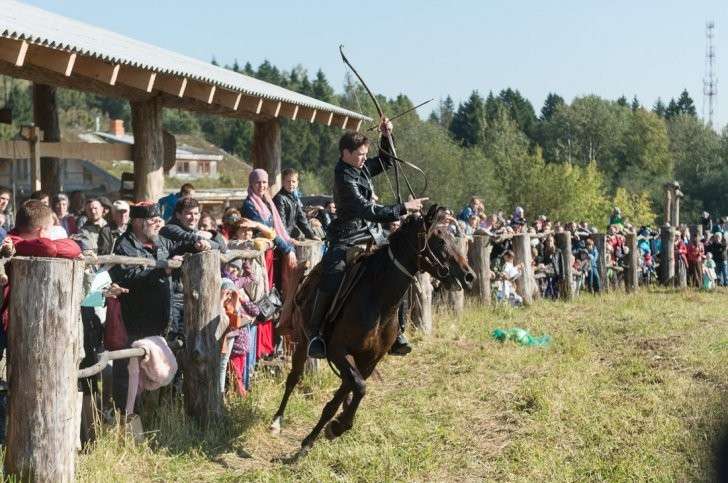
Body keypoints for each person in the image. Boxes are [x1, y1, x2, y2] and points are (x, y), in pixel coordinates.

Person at [306, 119, 427, 359]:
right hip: (348, 236)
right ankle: (316, 335)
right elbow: (367, 210)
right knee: (332, 273)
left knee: (397, 271)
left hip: (373, 234)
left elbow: (384, 161)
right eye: (360, 154)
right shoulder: (343, 177)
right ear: (346, 153)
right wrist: (403, 207)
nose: (364, 158)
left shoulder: (360, 168)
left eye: (365, 154)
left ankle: (396, 332)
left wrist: (386, 136)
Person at [108, 201, 205, 409]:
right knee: (129, 377)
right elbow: (126, 276)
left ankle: (152, 417)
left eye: (159, 220)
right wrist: (162, 270)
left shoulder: (160, 241)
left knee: (154, 374)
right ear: (137, 222)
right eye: (152, 221)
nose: (157, 224)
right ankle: (123, 423)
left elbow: (182, 246)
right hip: (134, 321)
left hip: (160, 321)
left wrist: (197, 243)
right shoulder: (124, 245)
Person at [273, 168, 319, 241]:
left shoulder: (294, 198)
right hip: (282, 238)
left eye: (293, 181)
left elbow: (301, 219)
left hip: (290, 234)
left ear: (297, 183)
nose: (291, 184)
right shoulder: (280, 198)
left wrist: (311, 235)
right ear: (282, 182)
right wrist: (287, 239)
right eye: (288, 181)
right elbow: (281, 223)